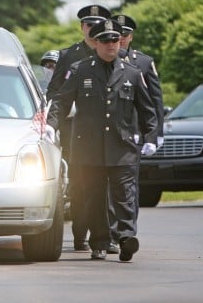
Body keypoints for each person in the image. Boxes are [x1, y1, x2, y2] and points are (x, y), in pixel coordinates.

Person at [56, 18, 158, 261]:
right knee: (95, 198)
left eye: (115, 39)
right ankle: (100, 242)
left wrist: (151, 136)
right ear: (96, 43)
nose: (112, 44)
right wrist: (50, 126)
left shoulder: (132, 73)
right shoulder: (81, 70)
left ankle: (125, 238)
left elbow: (147, 109)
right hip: (89, 148)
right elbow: (62, 102)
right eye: (106, 40)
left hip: (122, 147)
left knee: (126, 195)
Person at [46, 4, 112, 252]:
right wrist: (55, 124)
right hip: (76, 132)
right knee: (80, 186)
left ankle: (105, 237)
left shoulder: (115, 55)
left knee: (106, 186)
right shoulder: (69, 56)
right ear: (82, 27)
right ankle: (80, 234)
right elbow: (55, 94)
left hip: (107, 133)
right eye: (88, 25)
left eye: (99, 25)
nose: (93, 30)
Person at [104, 14, 165, 253]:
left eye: (126, 35)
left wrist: (154, 134)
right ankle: (111, 232)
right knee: (110, 187)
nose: (122, 40)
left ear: (130, 37)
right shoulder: (102, 61)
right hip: (112, 135)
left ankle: (127, 232)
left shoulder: (143, 62)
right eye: (118, 35)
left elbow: (154, 102)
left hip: (134, 135)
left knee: (128, 187)